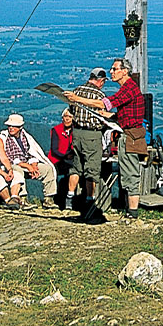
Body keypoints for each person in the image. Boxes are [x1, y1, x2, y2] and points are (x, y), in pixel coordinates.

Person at [67, 59, 145, 221]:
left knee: (130, 175)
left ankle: (132, 213)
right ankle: (130, 212)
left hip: (130, 136)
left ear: (125, 71)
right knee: (127, 174)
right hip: (128, 133)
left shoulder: (129, 88)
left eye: (114, 69)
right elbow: (125, 113)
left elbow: (105, 103)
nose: (111, 71)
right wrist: (111, 117)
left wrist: (77, 99)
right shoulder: (129, 89)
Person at [64, 68, 111, 224]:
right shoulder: (99, 96)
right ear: (100, 80)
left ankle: (70, 197)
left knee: (76, 165)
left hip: (76, 133)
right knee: (92, 168)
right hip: (92, 134)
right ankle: (90, 200)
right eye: (103, 82)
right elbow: (103, 114)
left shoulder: (76, 91)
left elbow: (71, 110)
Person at [0, 113, 57, 210]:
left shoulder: (25, 137)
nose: (11, 128)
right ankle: (23, 199)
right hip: (14, 166)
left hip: (27, 163)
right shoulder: (5, 138)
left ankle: (48, 198)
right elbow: (11, 158)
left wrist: (34, 165)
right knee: (17, 170)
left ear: (20, 127)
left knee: (48, 169)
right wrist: (28, 167)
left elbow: (31, 153)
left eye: (14, 126)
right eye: (10, 126)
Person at [48, 108, 77, 211]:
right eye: (65, 117)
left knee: (75, 171)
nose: (67, 119)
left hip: (70, 159)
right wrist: (65, 156)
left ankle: (72, 198)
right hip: (57, 159)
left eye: (70, 117)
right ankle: (54, 199)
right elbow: (54, 149)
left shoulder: (76, 130)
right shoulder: (56, 130)